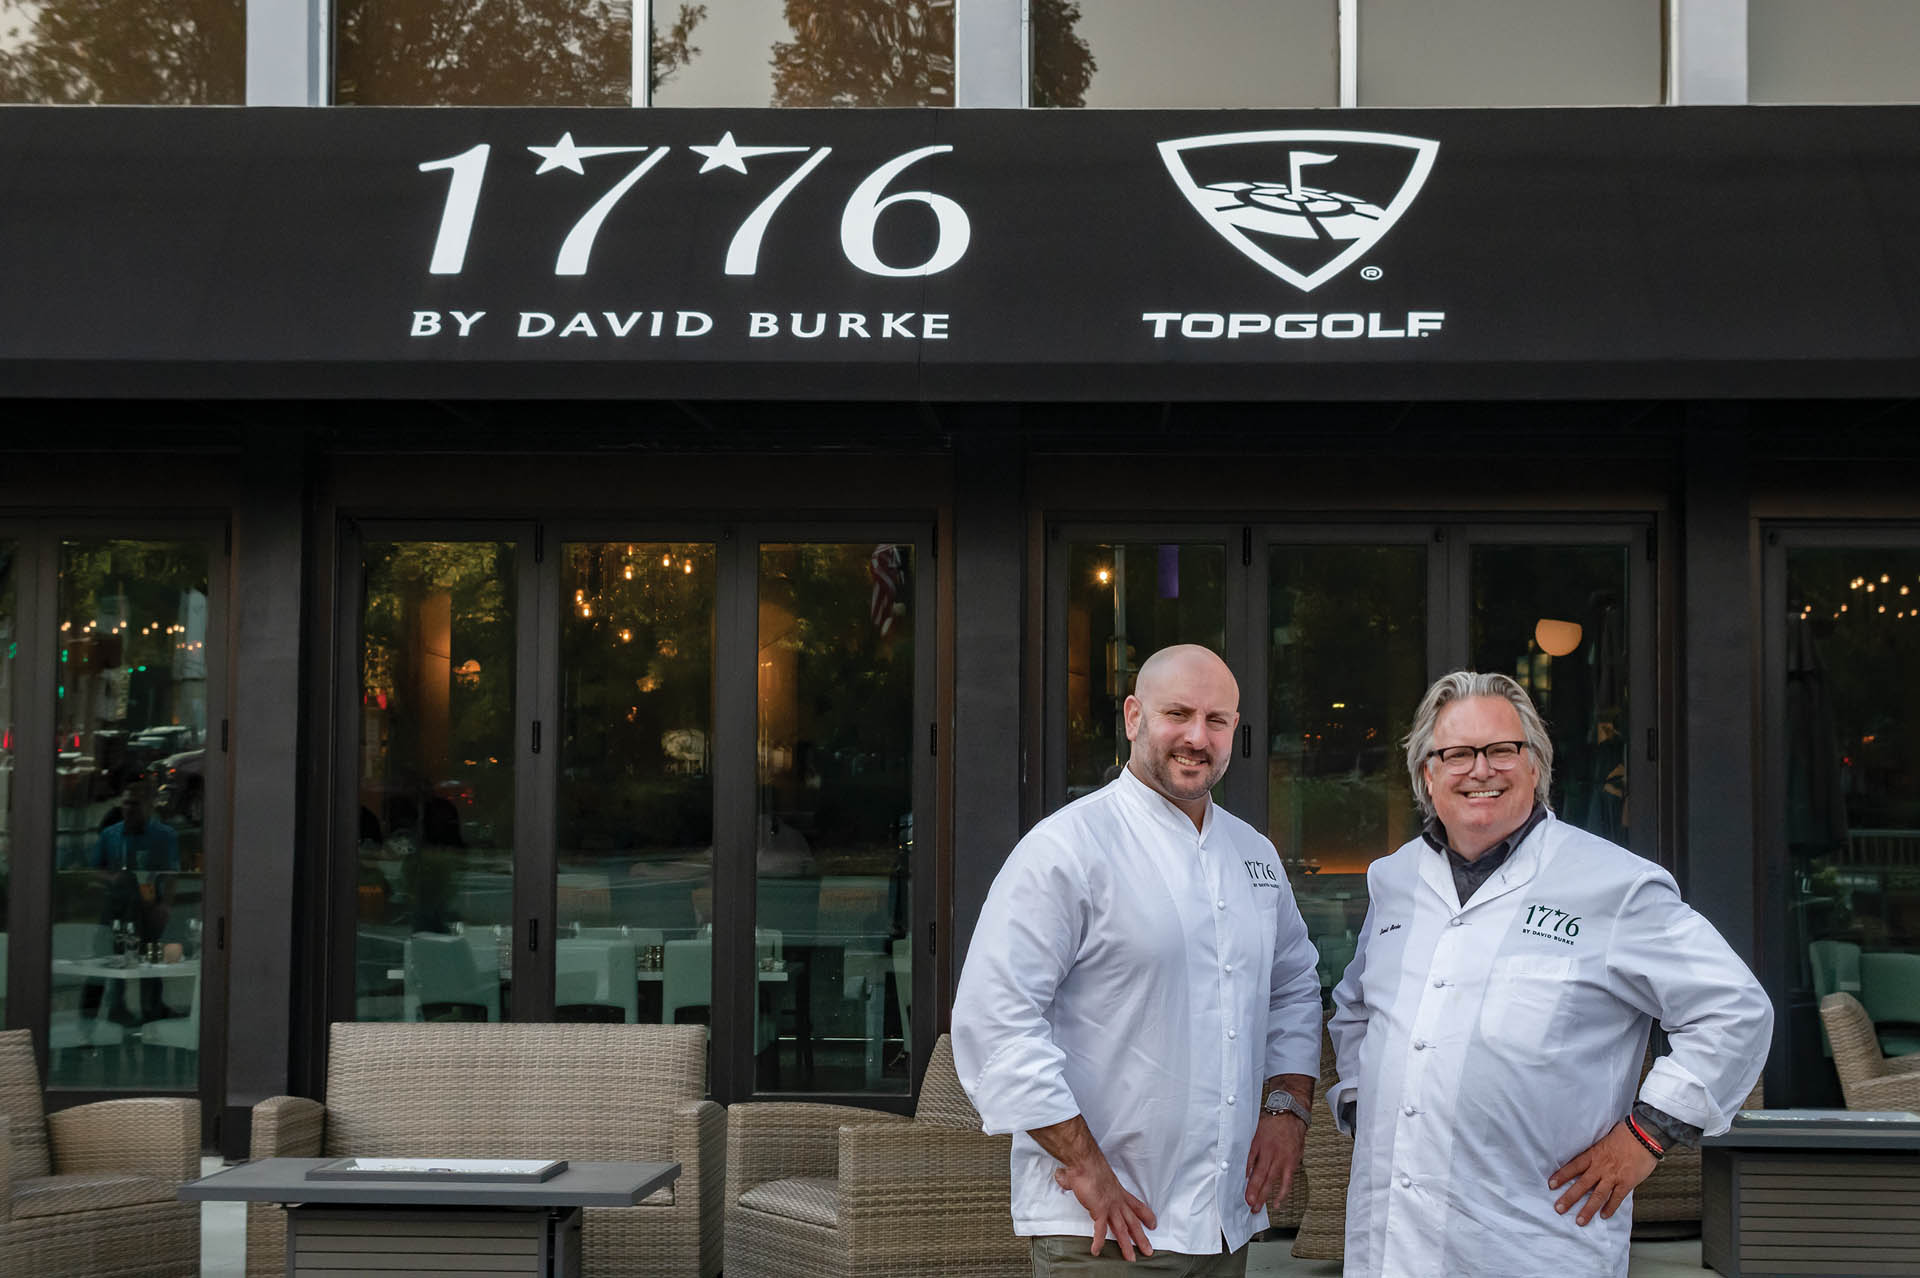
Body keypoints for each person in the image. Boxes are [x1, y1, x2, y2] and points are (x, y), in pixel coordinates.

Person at [1328, 672, 1772, 1278]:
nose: (1480, 770)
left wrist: (1648, 1134)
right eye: (1456, 754)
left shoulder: (1614, 884)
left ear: (1535, 765)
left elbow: (1735, 1007)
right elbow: (1356, 1006)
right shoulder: (1395, 878)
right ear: (1427, 775)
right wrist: (1362, 1101)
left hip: (1536, 1241)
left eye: (1502, 749)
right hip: (1390, 1244)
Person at [954, 644, 1323, 1274]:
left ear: (1235, 729)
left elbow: (1292, 987)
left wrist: (1287, 1110)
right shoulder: (1067, 848)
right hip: (1103, 1228)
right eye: (1177, 714)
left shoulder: (1253, 854)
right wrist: (1084, 1164)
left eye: (1216, 720)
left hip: (1225, 1223)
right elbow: (995, 1021)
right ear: (1133, 716)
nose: (1197, 737)